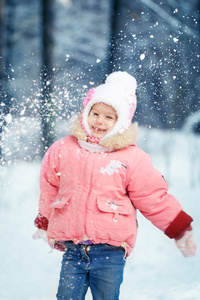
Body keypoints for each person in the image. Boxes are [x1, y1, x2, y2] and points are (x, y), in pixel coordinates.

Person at [33, 71, 197, 300]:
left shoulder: (131, 158)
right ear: (85, 112)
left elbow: (153, 197)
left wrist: (179, 229)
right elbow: (50, 184)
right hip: (74, 249)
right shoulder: (64, 149)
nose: (100, 121)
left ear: (121, 122)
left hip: (110, 251)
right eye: (95, 113)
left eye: (109, 117)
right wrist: (45, 218)